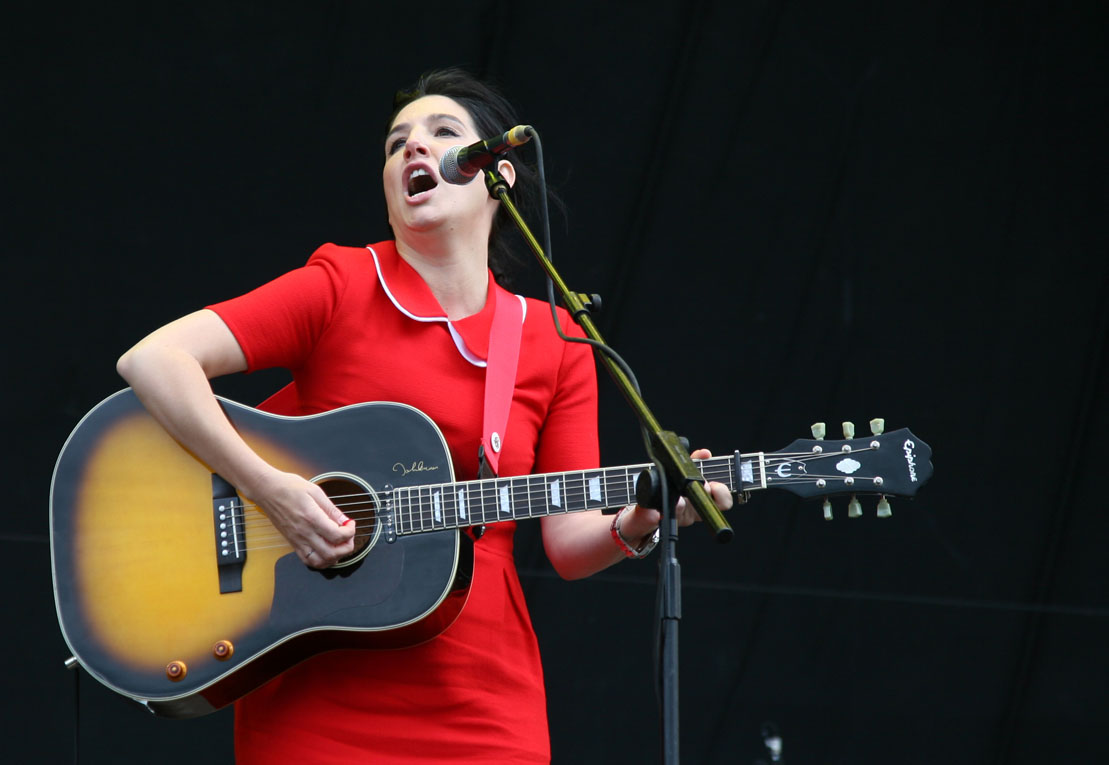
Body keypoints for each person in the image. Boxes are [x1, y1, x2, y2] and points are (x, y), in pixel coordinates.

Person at [116, 68, 733, 763]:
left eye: (442, 135)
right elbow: (154, 360)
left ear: (498, 176)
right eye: (394, 144)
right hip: (317, 693)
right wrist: (270, 489)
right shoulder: (341, 285)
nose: (412, 149)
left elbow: (565, 542)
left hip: (482, 697)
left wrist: (642, 518)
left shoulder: (555, 338)